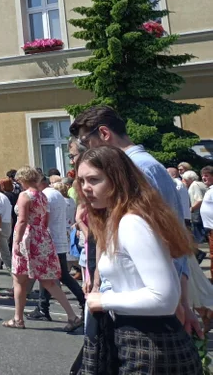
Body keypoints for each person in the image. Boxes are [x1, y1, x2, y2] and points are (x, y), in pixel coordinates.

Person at [70, 105, 200, 335]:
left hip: (140, 315)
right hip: (125, 302)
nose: (85, 148)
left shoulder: (138, 169)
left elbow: (169, 237)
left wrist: (181, 301)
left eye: (85, 141)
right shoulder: (140, 167)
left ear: (104, 133)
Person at [78, 146, 202, 373]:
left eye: (94, 180)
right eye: (82, 180)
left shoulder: (131, 223)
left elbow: (163, 297)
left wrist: (103, 301)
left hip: (151, 346)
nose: (86, 188)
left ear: (117, 180)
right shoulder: (120, 220)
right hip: (139, 340)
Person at [3, 167, 82, 331]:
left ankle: (18, 319)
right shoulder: (42, 195)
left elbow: (23, 221)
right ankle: (72, 316)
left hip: (28, 237)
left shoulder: (25, 196)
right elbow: (45, 219)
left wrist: (16, 242)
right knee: (48, 280)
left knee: (19, 280)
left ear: (22, 179)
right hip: (42, 237)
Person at [28, 175, 86, 321]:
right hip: (59, 237)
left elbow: (43, 218)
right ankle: (43, 307)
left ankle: (83, 300)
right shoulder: (57, 194)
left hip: (50, 239)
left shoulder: (45, 195)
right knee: (49, 275)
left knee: (56, 275)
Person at [185, 170, 206, 245]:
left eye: (185, 180)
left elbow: (199, 200)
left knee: (198, 232)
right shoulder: (201, 183)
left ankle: (199, 250)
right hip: (203, 211)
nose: (185, 181)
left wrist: (191, 208)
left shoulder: (194, 185)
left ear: (190, 179)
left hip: (197, 211)